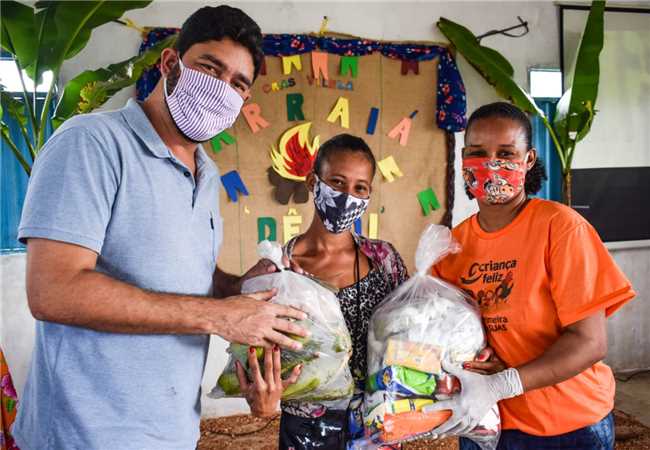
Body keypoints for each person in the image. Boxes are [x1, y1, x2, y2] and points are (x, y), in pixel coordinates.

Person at [13, 6, 308, 450]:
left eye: (238, 85)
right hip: (82, 436)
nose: (220, 90)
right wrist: (220, 317)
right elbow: (53, 290)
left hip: (171, 432)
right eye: (210, 68)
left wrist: (242, 286)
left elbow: (188, 277)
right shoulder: (91, 143)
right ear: (171, 64)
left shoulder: (207, 175)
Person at [428, 102, 635, 450]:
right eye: (478, 153)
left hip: (568, 427)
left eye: (506, 153)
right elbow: (448, 335)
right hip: (485, 422)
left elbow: (589, 342)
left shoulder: (561, 228)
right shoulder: (452, 247)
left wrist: (503, 383)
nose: (492, 164)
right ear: (463, 160)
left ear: (528, 160)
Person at [234, 134, 408, 449]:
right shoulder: (280, 270)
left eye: (360, 188)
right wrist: (261, 401)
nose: (348, 196)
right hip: (306, 429)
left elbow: (409, 337)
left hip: (378, 423)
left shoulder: (384, 260)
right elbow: (259, 356)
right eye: (337, 183)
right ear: (313, 181)